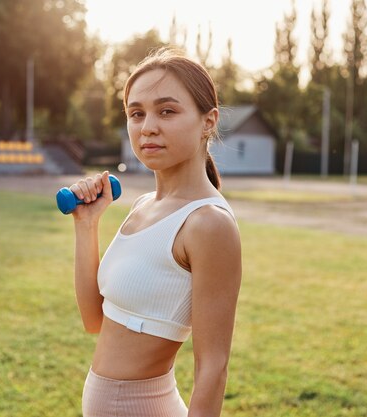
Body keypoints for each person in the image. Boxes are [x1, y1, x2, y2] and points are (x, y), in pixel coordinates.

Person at [67, 47, 242, 417]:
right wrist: (87, 225)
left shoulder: (208, 223)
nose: (147, 127)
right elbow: (94, 320)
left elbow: (213, 366)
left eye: (167, 111)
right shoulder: (144, 205)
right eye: (136, 113)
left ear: (208, 121)